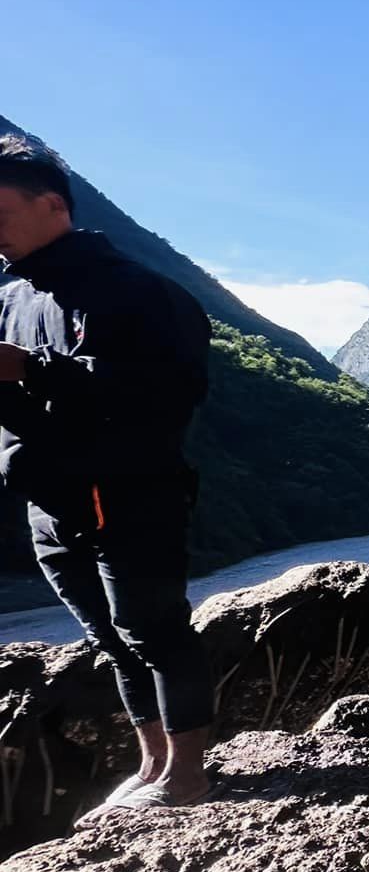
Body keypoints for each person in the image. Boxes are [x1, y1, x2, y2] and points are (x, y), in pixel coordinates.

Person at [0, 132, 215, 810]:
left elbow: (166, 391)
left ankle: (188, 773)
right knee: (106, 637)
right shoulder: (11, 297)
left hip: (129, 493)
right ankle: (151, 763)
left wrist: (30, 369)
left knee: (154, 631)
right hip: (49, 497)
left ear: (52, 205)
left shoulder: (138, 291)